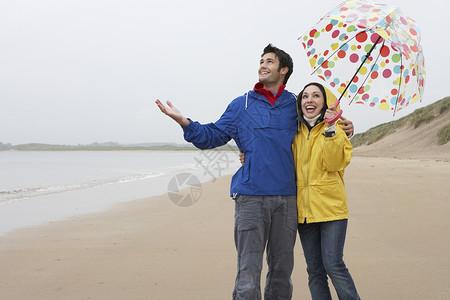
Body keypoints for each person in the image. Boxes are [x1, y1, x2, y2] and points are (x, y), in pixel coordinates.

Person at [155, 44, 354, 300]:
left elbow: (318, 128)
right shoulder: (242, 105)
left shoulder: (294, 105)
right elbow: (211, 136)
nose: (262, 65)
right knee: (248, 271)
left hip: (288, 199)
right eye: (261, 61)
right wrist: (183, 121)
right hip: (250, 197)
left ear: (284, 70)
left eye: (269, 61)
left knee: (282, 273)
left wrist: (346, 126)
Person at [293, 82, 360, 300]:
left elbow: (334, 163)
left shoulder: (337, 130)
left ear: (325, 102)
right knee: (314, 271)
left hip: (332, 209)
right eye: (305, 96)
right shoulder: (294, 131)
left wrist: (332, 129)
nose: (309, 100)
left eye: (315, 96)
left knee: (334, 264)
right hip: (304, 211)